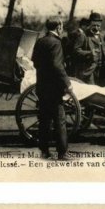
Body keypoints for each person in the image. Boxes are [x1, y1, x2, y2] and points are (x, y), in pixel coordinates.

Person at [31, 17, 77, 160]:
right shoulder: (56, 43)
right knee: (60, 120)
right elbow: (58, 66)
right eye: (62, 26)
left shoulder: (40, 41)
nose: (62, 28)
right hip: (54, 89)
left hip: (42, 87)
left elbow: (35, 62)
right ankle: (63, 153)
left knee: (44, 120)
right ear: (58, 27)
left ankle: (44, 151)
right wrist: (67, 83)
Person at [72, 12, 105, 84]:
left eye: (98, 26)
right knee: (92, 90)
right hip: (88, 69)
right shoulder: (83, 35)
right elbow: (76, 50)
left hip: (100, 69)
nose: (96, 28)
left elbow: (101, 48)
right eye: (94, 26)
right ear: (90, 24)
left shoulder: (101, 36)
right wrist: (90, 53)